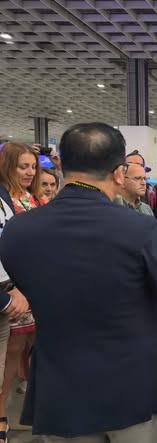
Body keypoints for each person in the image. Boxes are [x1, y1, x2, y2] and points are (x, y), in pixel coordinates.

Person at [0, 122, 157, 441]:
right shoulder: (140, 229)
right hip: (134, 385)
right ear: (118, 173)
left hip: (60, 388)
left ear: (62, 166)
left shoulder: (18, 230)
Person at [0, 142, 43, 439]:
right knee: (9, 356)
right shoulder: (5, 199)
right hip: (11, 289)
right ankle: (1, 412)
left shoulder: (34, 198)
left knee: (31, 349)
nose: (29, 172)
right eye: (23, 166)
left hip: (35, 286)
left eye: (33, 167)